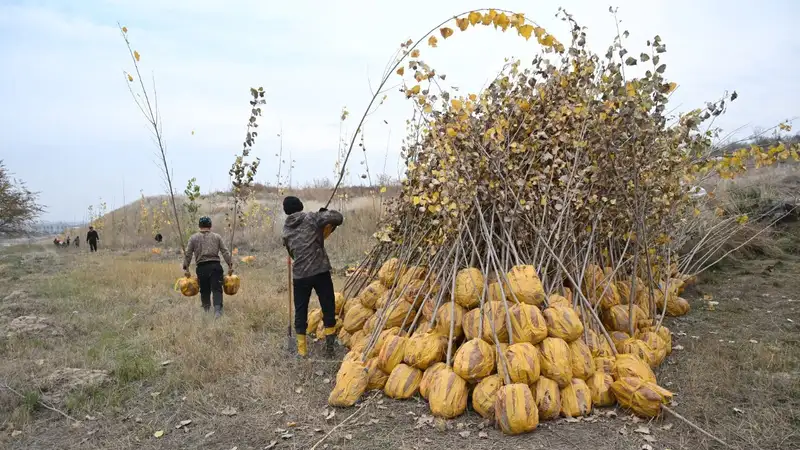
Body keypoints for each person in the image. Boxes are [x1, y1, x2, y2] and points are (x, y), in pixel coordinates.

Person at [282, 196, 344, 357]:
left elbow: (292, 253)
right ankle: (330, 347)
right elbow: (338, 218)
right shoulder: (312, 217)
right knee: (328, 306)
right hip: (319, 271)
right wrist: (325, 213)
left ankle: (302, 352)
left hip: (300, 275)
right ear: (301, 206)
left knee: (300, 311)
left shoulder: (286, 229)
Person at [182, 216, 233, 318]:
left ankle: (206, 310)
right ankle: (217, 311)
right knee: (217, 288)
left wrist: (185, 266)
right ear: (210, 226)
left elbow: (188, 254)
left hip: (202, 268)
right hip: (215, 267)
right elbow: (225, 251)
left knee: (204, 290)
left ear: (199, 226)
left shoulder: (193, 238)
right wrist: (230, 264)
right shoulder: (217, 237)